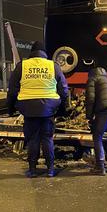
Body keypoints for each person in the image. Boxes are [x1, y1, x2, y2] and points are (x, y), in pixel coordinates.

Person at [7, 41, 68, 178]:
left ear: (32, 53)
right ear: (44, 53)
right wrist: (63, 109)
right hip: (48, 108)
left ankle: (33, 170)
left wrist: (10, 109)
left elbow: (12, 90)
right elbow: (64, 90)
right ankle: (51, 170)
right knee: (47, 138)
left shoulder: (22, 66)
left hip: (28, 108)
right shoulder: (53, 66)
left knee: (33, 139)